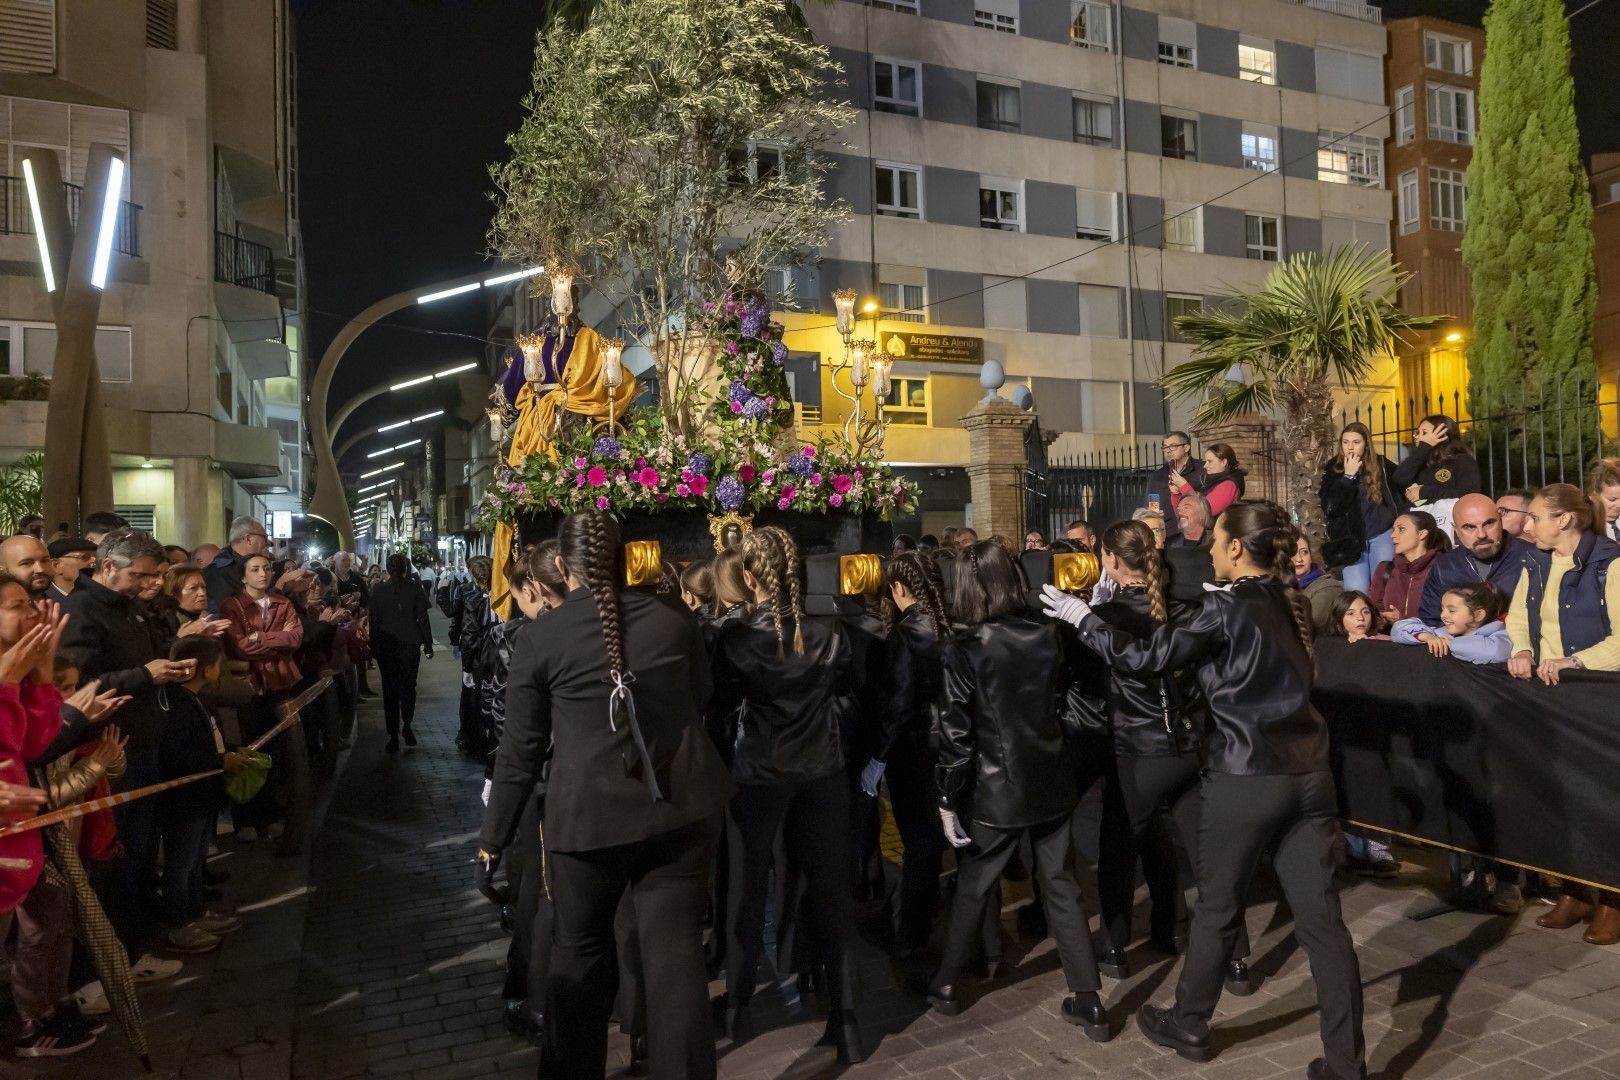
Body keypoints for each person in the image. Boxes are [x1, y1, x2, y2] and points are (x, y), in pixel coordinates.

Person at [1044, 500, 1364, 1080]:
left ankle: (1190, 1021)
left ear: (1237, 548)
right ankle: (1346, 1063)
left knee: (1216, 904)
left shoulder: (1227, 608)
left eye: (1217, 538)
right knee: (1324, 924)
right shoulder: (1286, 603)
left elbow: (1142, 658)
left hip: (1247, 776)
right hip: (1311, 776)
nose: (1209, 548)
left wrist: (1082, 618)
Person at [479, 511, 734, 1079]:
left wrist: (491, 840)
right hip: (682, 805)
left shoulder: (541, 636)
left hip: (591, 820)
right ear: (625, 557)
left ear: (563, 566)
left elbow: (518, 752)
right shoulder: (672, 618)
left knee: (582, 958)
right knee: (675, 960)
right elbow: (702, 696)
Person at [922, 541, 1111, 1041]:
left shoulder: (963, 649)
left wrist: (946, 797)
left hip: (997, 786)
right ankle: (1089, 998)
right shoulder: (1046, 634)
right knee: (1062, 886)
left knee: (974, 886)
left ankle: (944, 985)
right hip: (1050, 777)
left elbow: (956, 736)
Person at [707, 527, 866, 1061]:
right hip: (822, 770)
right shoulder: (830, 631)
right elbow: (847, 689)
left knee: (746, 890)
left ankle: (737, 1006)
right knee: (831, 894)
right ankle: (848, 1025)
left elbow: (720, 708)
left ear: (748, 577)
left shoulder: (736, 640)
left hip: (759, 774)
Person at [1087, 520, 1253, 992]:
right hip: (1186, 747)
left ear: (1113, 561)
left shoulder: (1107, 619)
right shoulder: (1187, 611)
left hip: (1138, 754)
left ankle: (1115, 948)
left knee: (1117, 852)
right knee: (1208, 863)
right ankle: (1235, 959)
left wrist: (1087, 618)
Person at [58, 529, 197, 968]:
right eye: (138, 575)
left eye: (152, 576)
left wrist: (170, 663)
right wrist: (144, 675)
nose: (146, 584)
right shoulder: (81, 611)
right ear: (106, 567)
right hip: (109, 751)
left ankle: (135, 945)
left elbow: (142, 663)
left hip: (142, 743)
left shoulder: (129, 608)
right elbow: (74, 686)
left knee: (137, 855)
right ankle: (110, 961)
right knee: (112, 859)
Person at [1505, 482, 1620, 945]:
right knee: (1562, 796)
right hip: (1550, 696)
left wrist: (1576, 661)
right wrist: (1523, 647)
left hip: (1599, 697)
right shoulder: (1536, 561)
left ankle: (1613, 901)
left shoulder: (1610, 563)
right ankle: (1573, 891)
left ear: (1565, 520)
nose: (1526, 525)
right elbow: (1518, 616)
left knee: (1604, 798)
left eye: (1535, 517)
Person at [869, 552, 950, 957]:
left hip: (916, 749)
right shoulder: (951, 623)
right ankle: (921, 914)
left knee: (919, 840)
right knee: (934, 836)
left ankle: (910, 934)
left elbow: (899, 702)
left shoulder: (906, 634)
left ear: (898, 588)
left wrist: (878, 756)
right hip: (950, 744)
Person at [157, 635, 242, 953]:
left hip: (203, 794)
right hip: (186, 798)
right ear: (205, 669)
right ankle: (181, 925)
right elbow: (177, 754)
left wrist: (229, 754)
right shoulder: (177, 704)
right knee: (181, 863)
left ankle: (196, 913)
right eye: (218, 664)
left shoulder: (195, 699)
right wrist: (221, 761)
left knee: (195, 860)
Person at [1320, 422, 1403, 593]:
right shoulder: (1333, 469)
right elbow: (1331, 508)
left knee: (1383, 588)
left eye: (1356, 442)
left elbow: (1403, 482)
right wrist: (1348, 477)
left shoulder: (1381, 465)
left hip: (1382, 535)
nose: (1350, 447)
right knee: (1356, 591)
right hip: (1352, 541)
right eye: (1345, 442)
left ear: (1366, 443)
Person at [368, 553, 434, 753]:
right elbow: (422, 617)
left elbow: (374, 622)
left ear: (388, 568)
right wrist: (428, 643)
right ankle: (407, 724)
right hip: (410, 643)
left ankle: (393, 734)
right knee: (408, 686)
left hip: (386, 645)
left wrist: (373, 647)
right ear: (406, 568)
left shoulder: (378, 590)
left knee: (390, 690)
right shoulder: (414, 588)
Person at [1391, 415, 1480, 536]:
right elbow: (1399, 477)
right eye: (1417, 432)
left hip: (1449, 529)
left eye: (1424, 432)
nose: (1417, 436)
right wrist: (1425, 447)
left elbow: (1469, 495)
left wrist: (1425, 492)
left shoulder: (1462, 461)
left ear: (1442, 435)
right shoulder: (1419, 463)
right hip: (1421, 531)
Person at [1391, 583, 1511, 664]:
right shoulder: (1443, 633)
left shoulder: (1503, 635)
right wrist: (1425, 636)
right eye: (1443, 609)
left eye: (1452, 610)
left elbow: (1495, 651)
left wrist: (1448, 643)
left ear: (1478, 615)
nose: (1443, 616)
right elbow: (1398, 629)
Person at [1368, 511, 1448, 624]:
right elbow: (1373, 611)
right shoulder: (1385, 569)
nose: (1392, 535)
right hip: (1390, 640)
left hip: (1432, 640)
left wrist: (1403, 621)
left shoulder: (1444, 568)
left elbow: (1452, 615)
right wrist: (1382, 618)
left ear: (1422, 534)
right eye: (1393, 529)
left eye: (1401, 529)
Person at [204, 516, 270, 614]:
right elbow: (231, 610)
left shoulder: (245, 563)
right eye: (264, 537)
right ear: (248, 539)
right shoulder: (221, 571)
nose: (266, 543)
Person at [1147, 432, 1204, 545]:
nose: (1168, 451)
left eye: (1173, 446)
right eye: (1165, 447)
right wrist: (1154, 512)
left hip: (1197, 536)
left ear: (1186, 447)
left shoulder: (1202, 470)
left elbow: (1206, 503)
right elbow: (1152, 502)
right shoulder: (1157, 476)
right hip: (1169, 535)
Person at [1291, 537, 1343, 636]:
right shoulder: (1277, 586)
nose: (1299, 559)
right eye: (1292, 552)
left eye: (1304, 552)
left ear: (1311, 555)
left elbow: (1312, 623)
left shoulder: (1328, 587)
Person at [1186, 443, 1245, 518]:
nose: (1205, 466)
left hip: (1217, 529)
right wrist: (1176, 493)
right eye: (1205, 461)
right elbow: (1182, 511)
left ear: (1224, 462)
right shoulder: (1211, 481)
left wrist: (1184, 487)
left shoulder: (1228, 485)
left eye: (1210, 461)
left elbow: (1203, 512)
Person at [0, 535, 53, 599]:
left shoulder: (55, 604)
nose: (40, 569)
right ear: (2, 571)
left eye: (44, 561)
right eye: (26, 563)